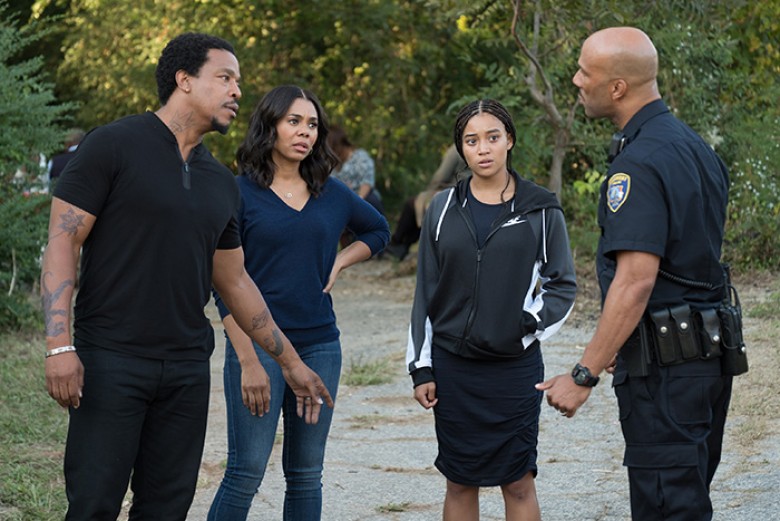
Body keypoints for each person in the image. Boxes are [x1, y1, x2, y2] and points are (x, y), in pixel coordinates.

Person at [40, 34, 333, 521]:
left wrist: (290, 363)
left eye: (238, 81)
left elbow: (235, 281)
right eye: (225, 78)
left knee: (167, 508)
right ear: (184, 80)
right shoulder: (111, 144)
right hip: (111, 359)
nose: (238, 91)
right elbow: (62, 241)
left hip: (185, 369)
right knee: (93, 504)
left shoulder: (219, 181)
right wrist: (58, 346)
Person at [536, 27, 733, 520]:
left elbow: (636, 280)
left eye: (586, 72)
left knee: (666, 507)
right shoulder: (694, 147)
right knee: (687, 499)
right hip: (706, 361)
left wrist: (584, 373)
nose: (578, 81)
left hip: (667, 372)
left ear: (618, 87)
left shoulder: (638, 164)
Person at [207, 85, 389, 520]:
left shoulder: (333, 192)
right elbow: (222, 285)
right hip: (260, 351)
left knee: (307, 474)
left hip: (321, 346)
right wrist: (248, 359)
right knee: (245, 471)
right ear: (269, 127)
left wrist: (341, 261)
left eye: (312, 125)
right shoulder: (237, 193)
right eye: (293, 122)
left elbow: (378, 231)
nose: (304, 133)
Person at [407, 99, 577, 520]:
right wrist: (421, 367)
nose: (482, 148)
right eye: (471, 140)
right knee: (460, 480)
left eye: (492, 137)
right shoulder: (442, 209)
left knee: (518, 481)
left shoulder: (540, 208)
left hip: (512, 369)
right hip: (453, 368)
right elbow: (426, 289)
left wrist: (526, 324)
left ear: (509, 141)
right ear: (461, 149)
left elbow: (563, 285)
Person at [384, 144, 468, 261]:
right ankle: (403, 244)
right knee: (421, 204)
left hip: (456, 194)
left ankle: (397, 243)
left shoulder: (458, 148)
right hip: (471, 194)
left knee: (414, 204)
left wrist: (430, 190)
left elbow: (440, 177)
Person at [327, 125, 384, 246]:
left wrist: (356, 202)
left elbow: (366, 182)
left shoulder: (360, 157)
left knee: (371, 201)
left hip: (361, 198)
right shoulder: (331, 164)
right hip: (340, 201)